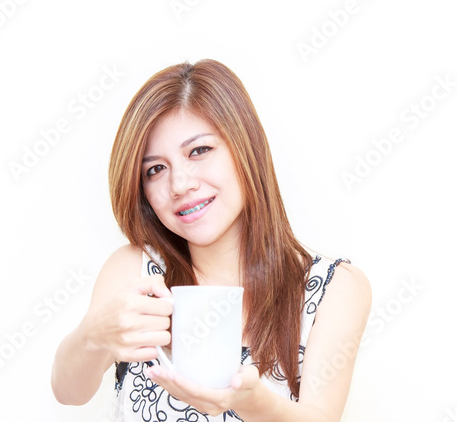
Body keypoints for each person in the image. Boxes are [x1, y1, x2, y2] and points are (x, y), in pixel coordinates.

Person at [51, 59, 372, 422]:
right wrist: (93, 335)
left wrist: (251, 401)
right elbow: (68, 392)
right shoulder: (136, 271)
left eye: (198, 151)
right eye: (155, 169)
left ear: (244, 148)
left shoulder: (333, 289)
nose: (179, 184)